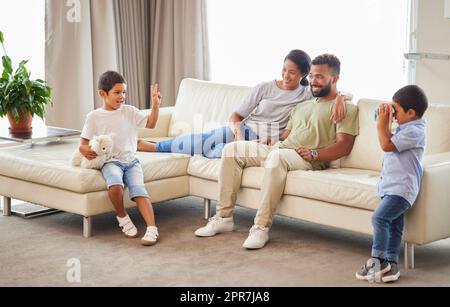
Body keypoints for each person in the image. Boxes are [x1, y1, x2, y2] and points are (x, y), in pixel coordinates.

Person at [194, 54, 359, 249]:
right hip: (280, 149)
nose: (314, 81)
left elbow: (344, 146)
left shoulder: (345, 109)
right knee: (232, 149)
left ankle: (260, 227)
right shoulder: (303, 105)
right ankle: (223, 217)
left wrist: (316, 154)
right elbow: (286, 135)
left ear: (335, 78)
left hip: (307, 157)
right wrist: (270, 140)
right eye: (313, 76)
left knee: (276, 157)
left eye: (320, 77)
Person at [137, 49, 349, 159]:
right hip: (243, 129)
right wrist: (238, 133)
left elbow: (337, 91)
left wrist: (341, 97)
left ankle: (165, 147)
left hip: (264, 140)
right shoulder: (265, 87)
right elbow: (235, 117)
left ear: (304, 74)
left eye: (292, 72)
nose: (286, 75)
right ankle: (155, 147)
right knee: (205, 139)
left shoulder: (306, 94)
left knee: (215, 149)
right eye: (284, 69)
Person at [78, 71, 162, 246]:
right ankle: (123, 217)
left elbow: (151, 124)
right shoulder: (94, 117)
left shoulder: (129, 111)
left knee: (139, 190)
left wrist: (155, 104)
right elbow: (82, 143)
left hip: (132, 161)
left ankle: (152, 228)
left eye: (124, 92)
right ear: (103, 93)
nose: (122, 96)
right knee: (115, 185)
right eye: (117, 92)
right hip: (110, 161)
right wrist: (85, 150)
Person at [355, 85, 428, 283]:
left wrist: (382, 124)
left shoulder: (415, 131)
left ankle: (378, 260)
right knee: (395, 226)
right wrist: (384, 112)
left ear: (411, 113)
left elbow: (387, 145)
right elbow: (381, 124)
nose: (394, 114)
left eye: (397, 110)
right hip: (391, 186)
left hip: (402, 188)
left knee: (379, 219)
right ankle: (392, 265)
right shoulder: (406, 126)